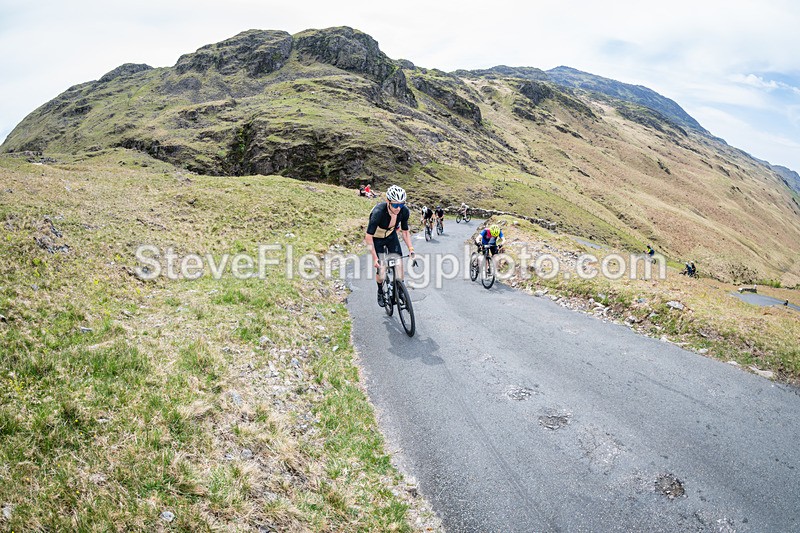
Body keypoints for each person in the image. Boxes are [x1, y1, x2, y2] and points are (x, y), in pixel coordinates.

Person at [365, 185, 415, 307]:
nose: (398, 208)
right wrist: (375, 258)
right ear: (388, 201)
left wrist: (411, 248)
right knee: (381, 269)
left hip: (391, 236)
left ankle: (400, 289)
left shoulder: (404, 211)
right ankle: (380, 291)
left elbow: (405, 231)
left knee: (399, 263)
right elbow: (368, 237)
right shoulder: (378, 212)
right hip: (377, 238)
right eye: (395, 205)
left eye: (401, 204)